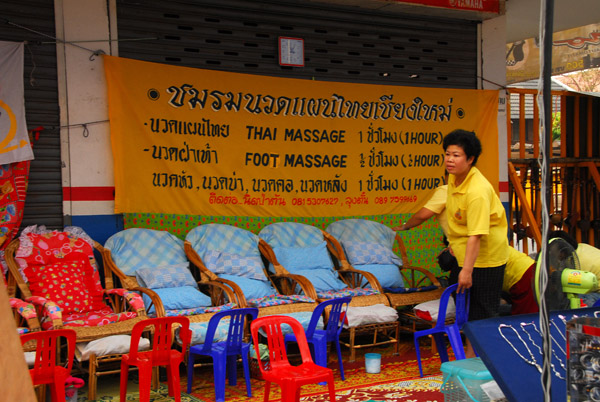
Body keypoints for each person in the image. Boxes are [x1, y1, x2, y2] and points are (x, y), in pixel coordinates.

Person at [443, 129, 509, 357]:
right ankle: (471, 358)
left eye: (457, 155)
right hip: (463, 253)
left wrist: (467, 271)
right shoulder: (453, 177)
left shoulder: (478, 190)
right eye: (447, 153)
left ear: (470, 159)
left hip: (487, 258)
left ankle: (486, 362)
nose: (450, 160)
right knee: (463, 305)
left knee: (483, 312)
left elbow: (476, 235)